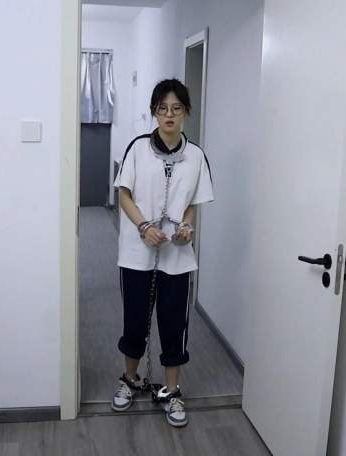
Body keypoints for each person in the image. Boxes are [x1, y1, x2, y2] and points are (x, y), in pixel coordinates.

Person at [111, 79, 214, 427]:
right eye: (162, 108)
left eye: (176, 108)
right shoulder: (138, 149)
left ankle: (171, 391)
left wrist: (186, 227)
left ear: (186, 112)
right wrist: (143, 226)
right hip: (136, 254)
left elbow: (192, 204)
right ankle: (130, 380)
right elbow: (124, 194)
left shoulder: (196, 156)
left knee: (174, 325)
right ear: (154, 112)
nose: (169, 114)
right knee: (135, 321)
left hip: (177, 258)